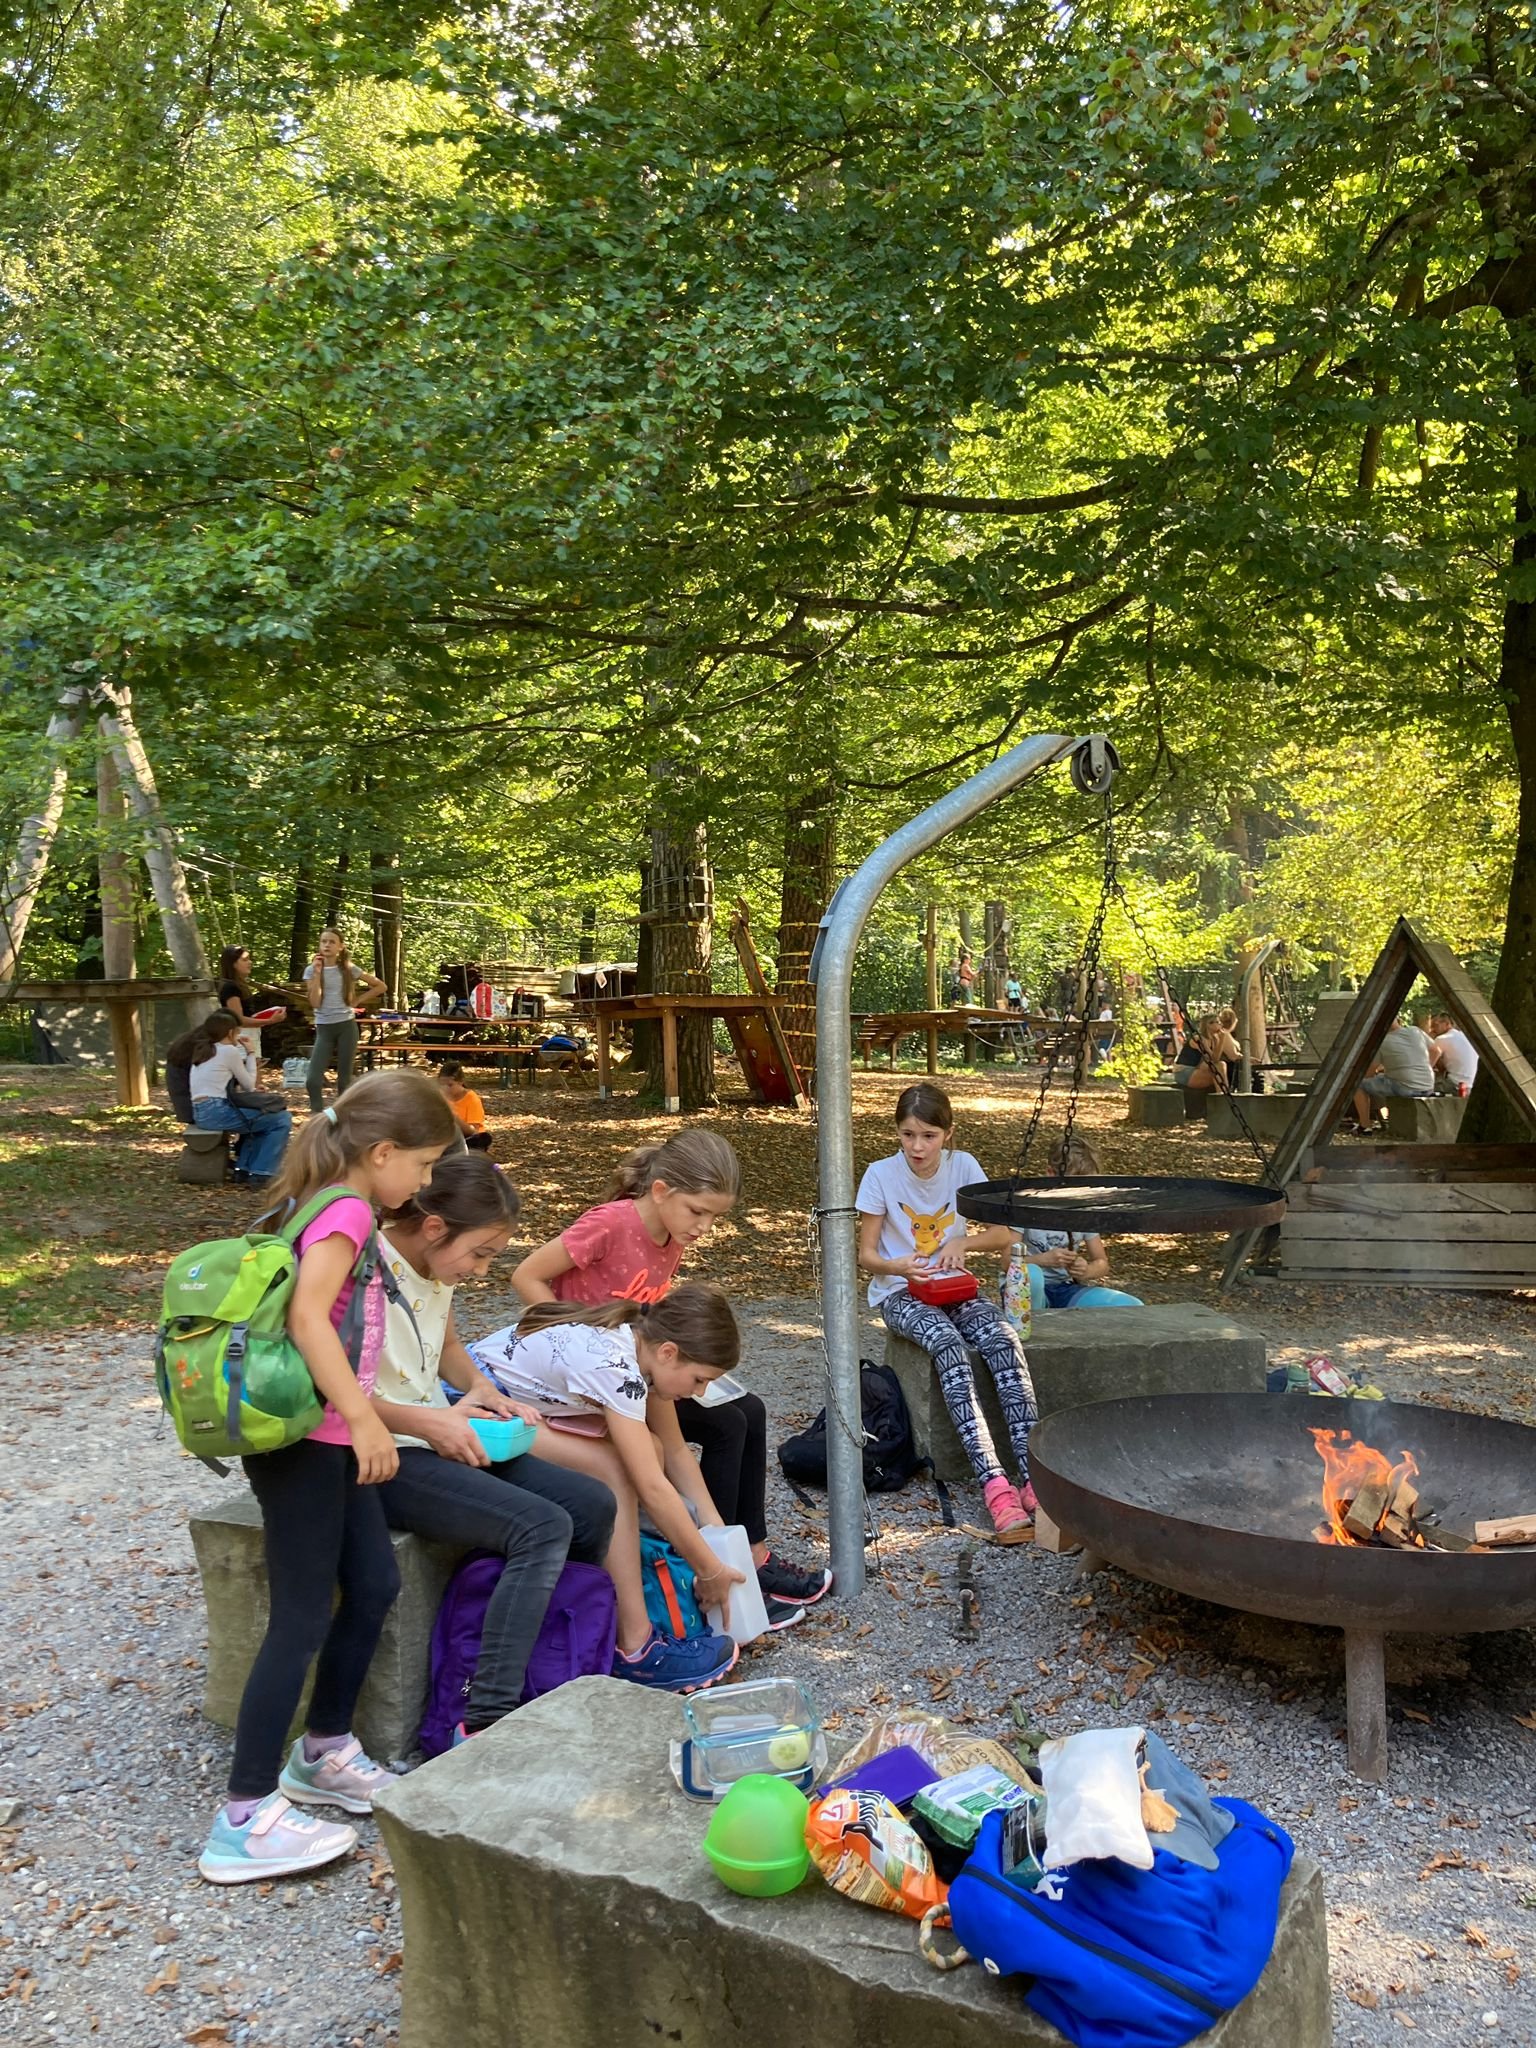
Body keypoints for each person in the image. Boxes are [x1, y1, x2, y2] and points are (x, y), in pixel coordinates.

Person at [197, 1070, 458, 1884]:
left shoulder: (322, 1200)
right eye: (420, 1166)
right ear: (381, 1152)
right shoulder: (343, 1211)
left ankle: (325, 1751)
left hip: (331, 1439)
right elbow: (311, 1319)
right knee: (302, 1617)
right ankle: (242, 1816)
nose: (421, 1183)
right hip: (311, 1441)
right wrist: (367, 1418)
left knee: (374, 1584)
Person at [510, 1131, 829, 1624]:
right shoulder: (610, 1224)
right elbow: (526, 1275)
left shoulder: (671, 1238)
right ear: (661, 1192)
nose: (703, 1227)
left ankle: (747, 1556)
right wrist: (576, 1337)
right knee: (724, 1428)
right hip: (601, 1373)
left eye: (713, 1217)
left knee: (748, 1411)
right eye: (697, 1212)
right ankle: (705, 1562)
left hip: (640, 1363)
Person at [370, 1155, 617, 1741]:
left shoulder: (434, 1270)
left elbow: (448, 1342)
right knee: (540, 1527)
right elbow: (336, 1395)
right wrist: (433, 1425)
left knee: (591, 1505)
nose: (482, 1270)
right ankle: (482, 1719)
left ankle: (546, 1651)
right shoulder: (363, 1269)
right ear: (434, 1228)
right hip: (388, 1453)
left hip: (438, 1433)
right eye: (479, 1253)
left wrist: (482, 1388)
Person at [470, 1288, 745, 1691]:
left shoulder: (635, 1341)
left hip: (510, 1404)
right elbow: (652, 1486)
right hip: (480, 1410)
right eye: (699, 1379)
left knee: (644, 1449)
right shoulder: (618, 1371)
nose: (700, 1392)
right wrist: (710, 1568)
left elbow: (668, 1451)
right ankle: (636, 1647)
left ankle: (654, 1596)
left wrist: (716, 1540)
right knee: (615, 1469)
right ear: (669, 1352)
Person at [856, 1082, 1039, 1541]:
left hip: (954, 1287)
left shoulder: (964, 1167)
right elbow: (867, 1256)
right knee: (949, 1348)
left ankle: (1035, 1476)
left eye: (928, 1136)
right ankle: (995, 1483)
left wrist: (963, 1241)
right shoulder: (880, 1175)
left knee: (1002, 1340)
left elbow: (1005, 1235)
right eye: (907, 1135)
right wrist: (897, 1266)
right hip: (900, 1292)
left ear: (948, 1134)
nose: (917, 1147)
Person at [1014, 1141, 1144, 1311]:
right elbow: (1006, 1261)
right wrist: (1041, 1260)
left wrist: (1087, 1270)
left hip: (1064, 1288)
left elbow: (1102, 1262)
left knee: (1132, 1306)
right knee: (1034, 1276)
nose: (1078, 1193)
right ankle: (1037, 1321)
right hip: (1022, 1289)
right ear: (1050, 1174)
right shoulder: (1025, 1205)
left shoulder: (1082, 1210)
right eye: (1072, 1187)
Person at [188, 1010, 292, 1186]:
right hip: (217, 1111)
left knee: (260, 1118)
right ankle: (262, 1172)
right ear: (230, 1032)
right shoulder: (228, 1051)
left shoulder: (204, 1051)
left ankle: (243, 1170)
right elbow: (249, 1085)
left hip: (201, 1112)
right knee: (281, 1119)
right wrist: (250, 1053)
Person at [305, 928, 385, 1115]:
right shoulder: (311, 970)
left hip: (346, 1026)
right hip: (324, 1028)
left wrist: (357, 1001)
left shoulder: (348, 969)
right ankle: (317, 1116)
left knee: (344, 1079)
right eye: (323, 941)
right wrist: (317, 974)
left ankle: (343, 1115)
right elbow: (315, 1003)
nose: (327, 945)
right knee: (313, 1080)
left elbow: (380, 986)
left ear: (340, 947)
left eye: (332, 942)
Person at [1353, 1015, 1437, 1129]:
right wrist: (1427, 1067)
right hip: (1428, 1086)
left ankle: (1365, 1126)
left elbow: (1369, 1073)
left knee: (1358, 1085)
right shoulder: (1415, 1031)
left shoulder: (1382, 1042)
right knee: (1383, 1080)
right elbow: (1436, 1050)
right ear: (1398, 1019)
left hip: (1405, 1088)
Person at [218, 944, 286, 1060]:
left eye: (249, 959)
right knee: (249, 1074)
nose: (249, 962)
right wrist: (270, 1020)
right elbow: (238, 1020)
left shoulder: (241, 985)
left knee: (255, 1071)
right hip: (241, 1038)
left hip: (249, 1036)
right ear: (233, 964)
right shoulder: (230, 987)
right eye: (244, 960)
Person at [436, 1061, 492, 1151]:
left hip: (471, 1140)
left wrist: (452, 1117)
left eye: (450, 1085)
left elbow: (473, 1131)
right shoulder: (439, 1096)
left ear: (460, 1082)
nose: (445, 1088)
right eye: (441, 1084)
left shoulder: (471, 1098)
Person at [1430, 1012, 1479, 1096]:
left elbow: (1429, 1064)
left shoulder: (1442, 1038)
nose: (1433, 1029)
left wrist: (1430, 1040)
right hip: (1470, 1085)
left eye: (1436, 1025)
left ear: (1447, 1024)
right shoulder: (1465, 1036)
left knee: (1424, 1086)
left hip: (1455, 1084)